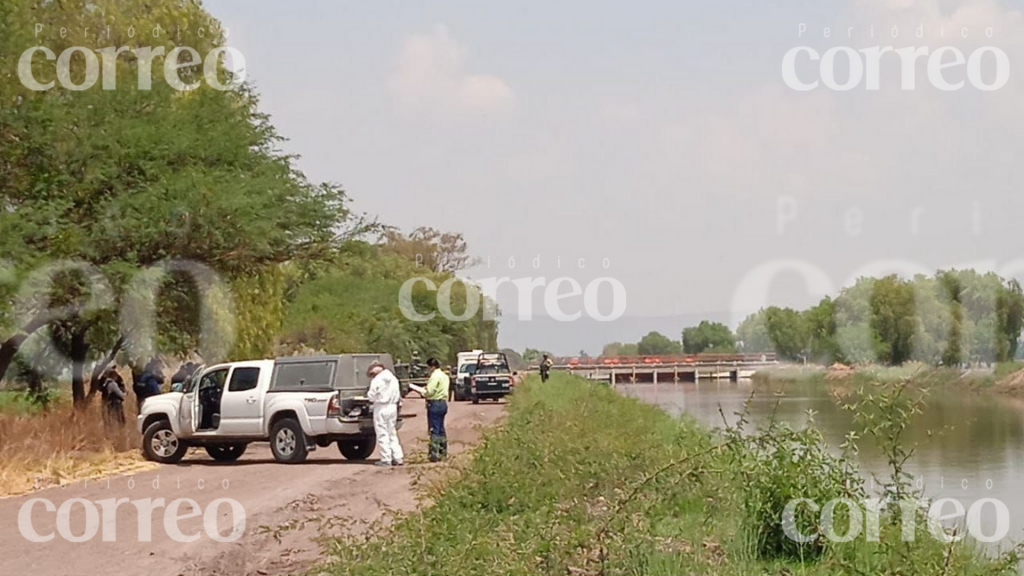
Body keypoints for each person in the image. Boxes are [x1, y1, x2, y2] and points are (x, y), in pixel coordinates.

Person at [409, 357, 450, 462]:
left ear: (432, 366)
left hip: (435, 403)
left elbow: (430, 392)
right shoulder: (445, 376)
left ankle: (434, 453)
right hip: (443, 403)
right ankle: (443, 452)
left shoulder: (434, 376)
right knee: (441, 428)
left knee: (434, 429)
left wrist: (421, 391)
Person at [366, 361, 404, 467]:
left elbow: (371, 396)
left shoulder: (377, 380)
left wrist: (369, 397)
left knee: (382, 433)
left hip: (381, 407)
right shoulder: (393, 379)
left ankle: (386, 458)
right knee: (392, 432)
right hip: (392, 407)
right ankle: (398, 457)